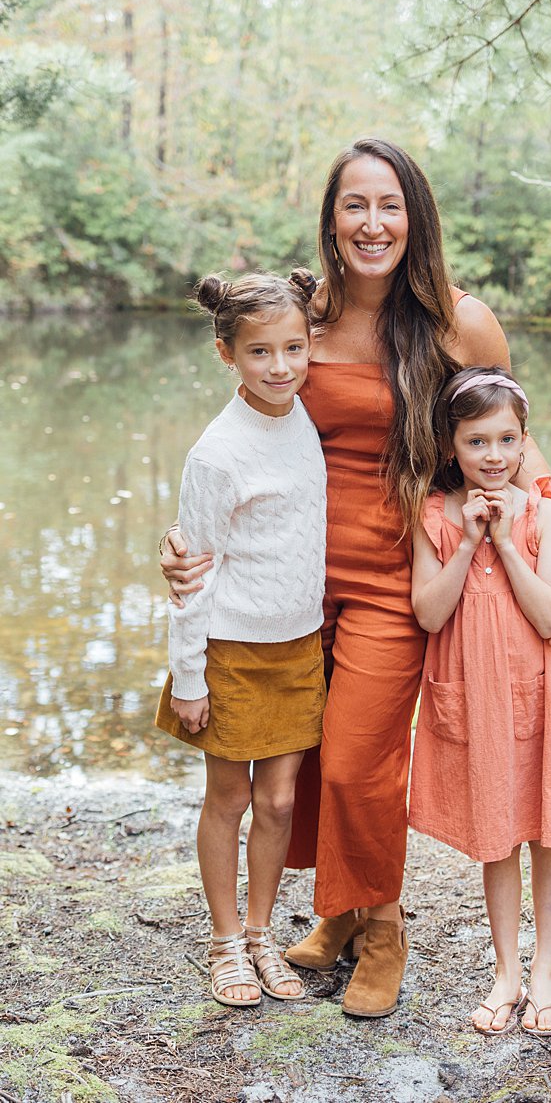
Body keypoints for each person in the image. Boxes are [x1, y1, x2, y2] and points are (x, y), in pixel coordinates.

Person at [160, 139, 551, 1019]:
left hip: (398, 572)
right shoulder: (299, 317)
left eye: (389, 205)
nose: (372, 223)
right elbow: (243, 425)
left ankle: (385, 928)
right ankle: (341, 915)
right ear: (330, 219)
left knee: (359, 763)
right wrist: (189, 540)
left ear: (415, 217)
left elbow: (509, 429)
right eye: (354, 205)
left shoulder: (459, 322)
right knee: (301, 759)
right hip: (287, 575)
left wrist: (549, 527)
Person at [155, 270, 325, 1007]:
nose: (281, 365)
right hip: (230, 649)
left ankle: (261, 932)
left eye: (294, 346)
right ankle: (224, 940)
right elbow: (194, 569)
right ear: (227, 354)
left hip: (298, 644)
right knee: (229, 796)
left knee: (280, 801)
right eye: (261, 352)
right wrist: (188, 675)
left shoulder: (300, 416)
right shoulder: (218, 451)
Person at [409, 368, 551, 1037]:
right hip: (476, 691)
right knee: (496, 830)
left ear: (523, 442)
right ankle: (506, 970)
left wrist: (507, 540)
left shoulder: (548, 516)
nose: (493, 454)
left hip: (541, 686)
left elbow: (548, 617)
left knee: (546, 826)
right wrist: (474, 541)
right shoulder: (435, 515)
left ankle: (546, 968)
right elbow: (428, 613)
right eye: (477, 440)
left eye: (506, 438)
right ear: (452, 446)